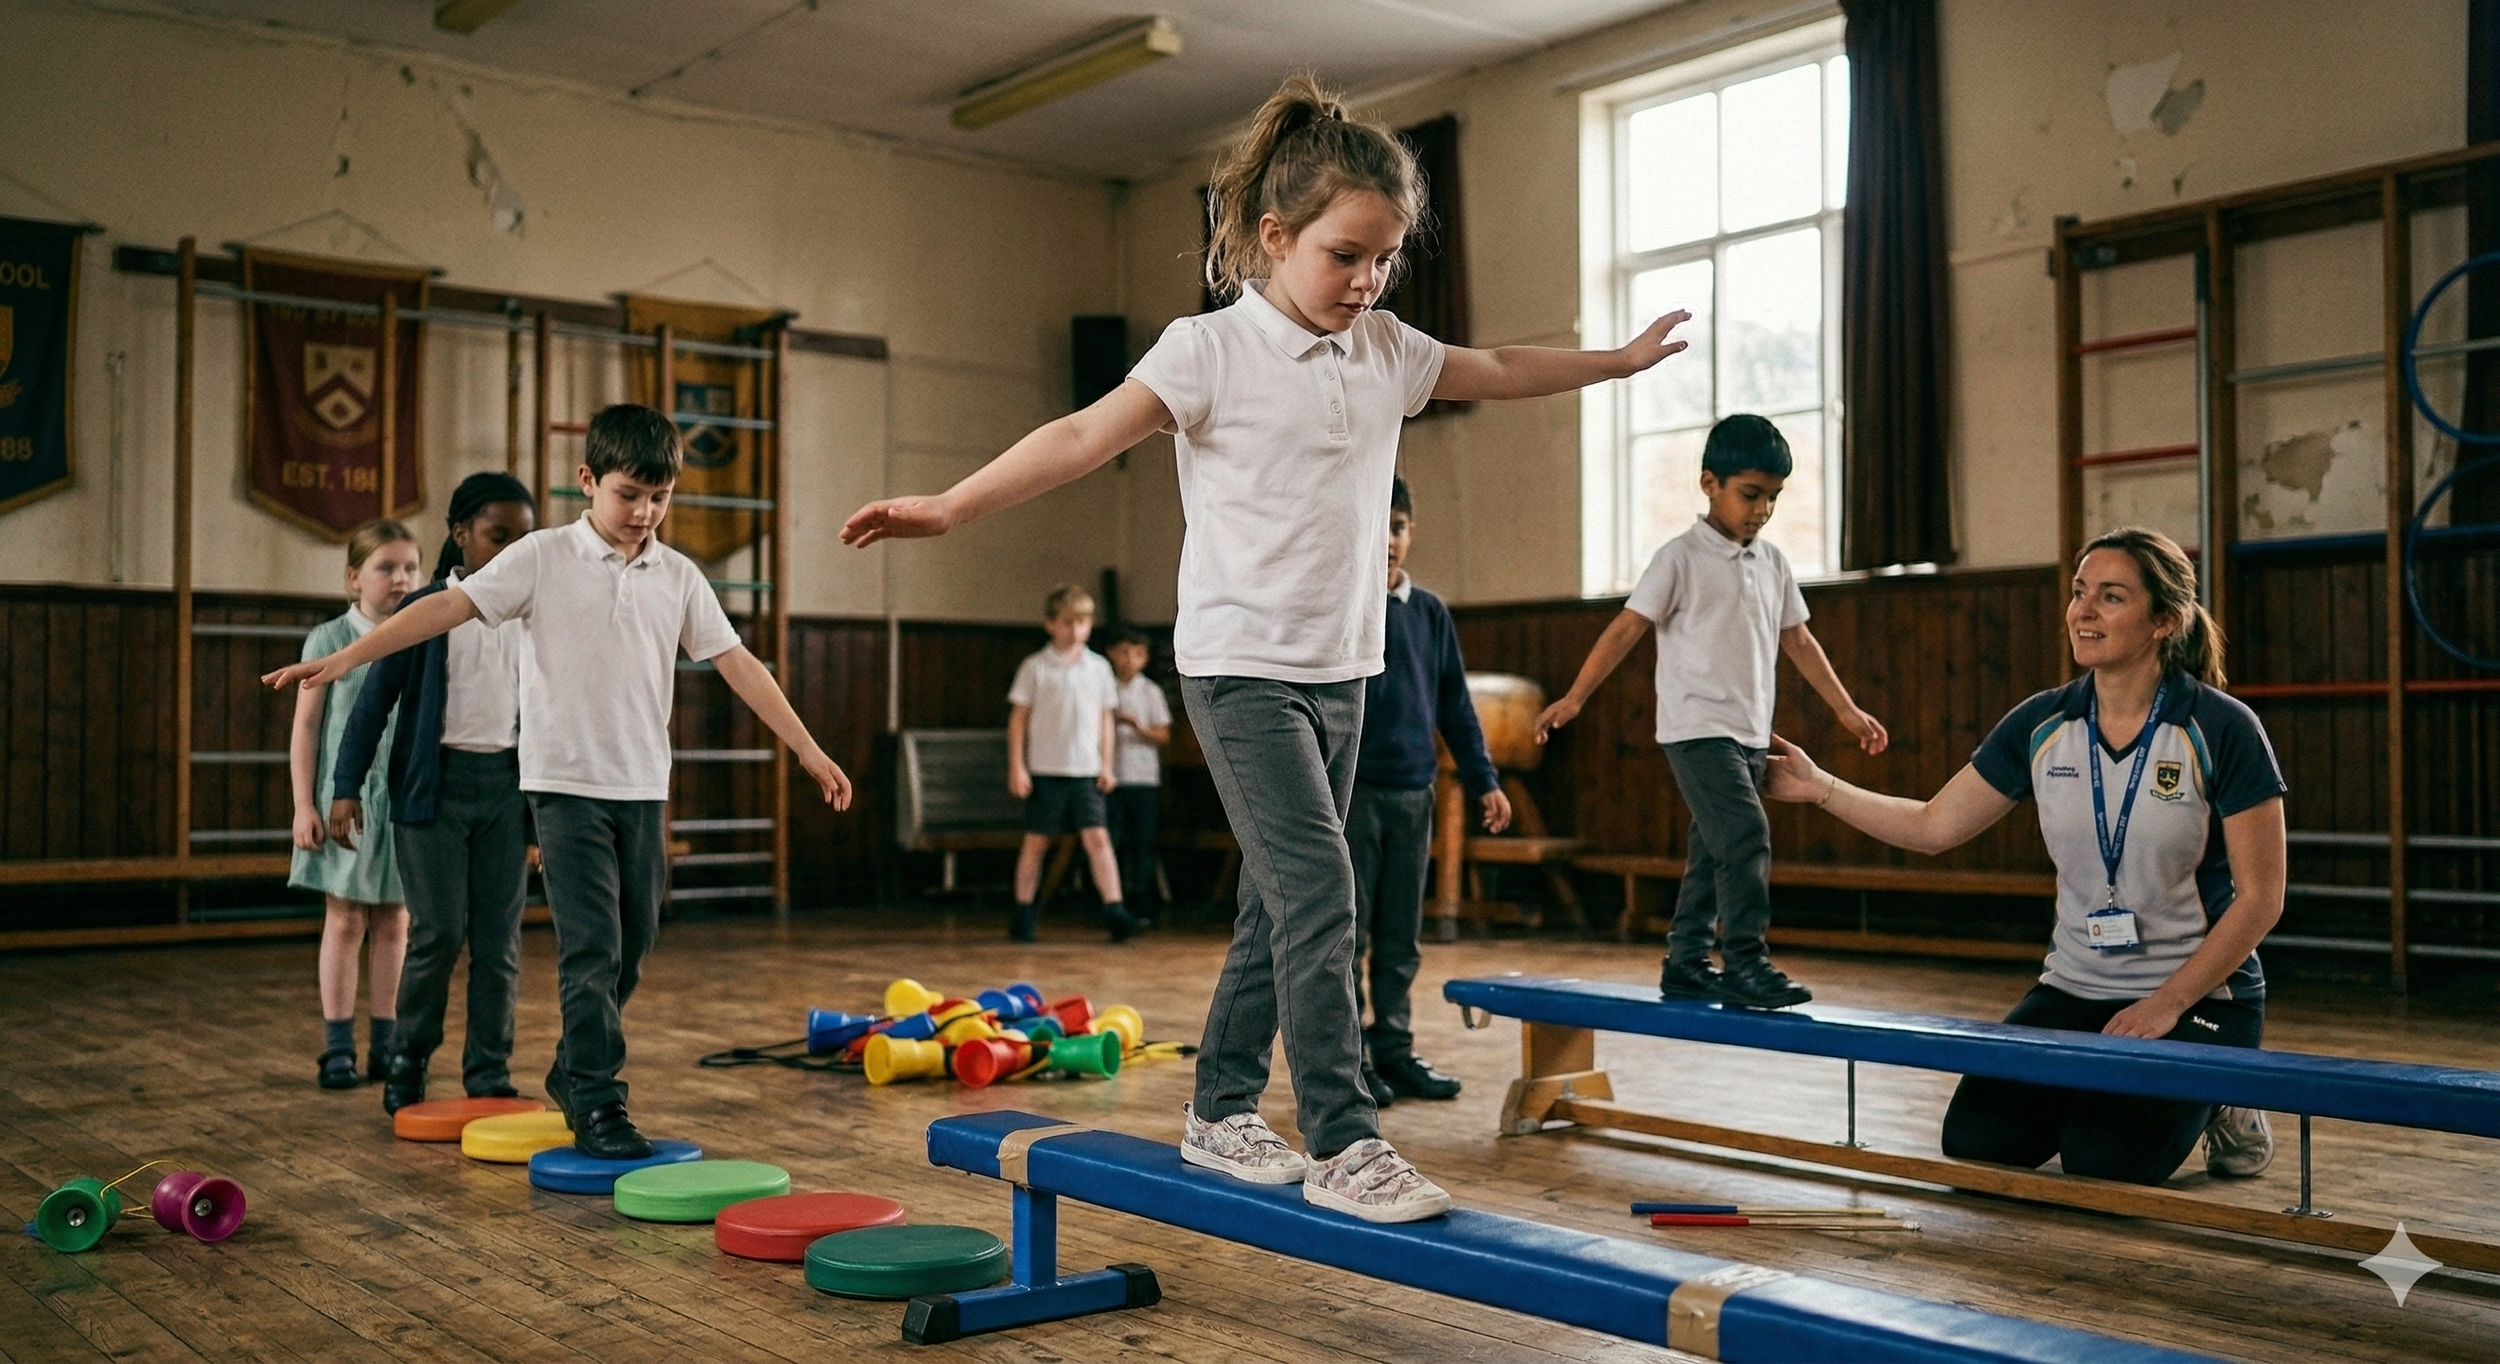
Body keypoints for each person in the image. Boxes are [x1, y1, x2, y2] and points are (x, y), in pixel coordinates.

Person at [839, 74, 1691, 1222]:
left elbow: (1492, 368)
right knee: (1321, 890)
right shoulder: (1207, 351)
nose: (1367, 279)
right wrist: (950, 505)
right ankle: (1342, 1136)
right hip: (1239, 670)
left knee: (1275, 903)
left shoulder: (1384, 347)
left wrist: (1616, 365)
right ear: (1275, 236)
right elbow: (1084, 433)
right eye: (1345, 255)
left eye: (1385, 258)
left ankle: (1219, 1108)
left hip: (1343, 671)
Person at [266, 404, 853, 1160]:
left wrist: (806, 748)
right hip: (560, 789)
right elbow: (445, 605)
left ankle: (572, 1070)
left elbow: (737, 662)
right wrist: (345, 659)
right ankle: (599, 1099)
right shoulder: (541, 556)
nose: (644, 513)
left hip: (642, 789)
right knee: (592, 950)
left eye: (660, 497)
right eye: (628, 495)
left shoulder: (676, 575)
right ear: (587, 482)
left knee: (635, 942)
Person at [1761, 527, 2283, 1185]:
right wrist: (1821, 789)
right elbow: (1932, 826)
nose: (2083, 612)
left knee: (2105, 1161)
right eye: (2078, 592)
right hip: (2076, 987)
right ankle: (2109, 1087)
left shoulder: (2222, 728)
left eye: (2111, 597)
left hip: (2202, 995)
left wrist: (2168, 1003)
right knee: (1980, 1140)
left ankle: (2226, 1100)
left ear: (2164, 622)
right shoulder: (2044, 723)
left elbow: (2262, 898)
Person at [1535, 415, 1887, 1009]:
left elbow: (1799, 641)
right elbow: (1627, 628)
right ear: (1709, 483)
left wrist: (1846, 710)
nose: (1762, 510)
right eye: (1750, 495)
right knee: (1745, 836)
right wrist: (1575, 697)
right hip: (1697, 730)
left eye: (1773, 498)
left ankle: (1686, 961)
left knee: (1712, 850)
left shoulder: (1772, 563)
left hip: (1750, 732)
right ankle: (1746, 962)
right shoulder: (1680, 557)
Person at [330, 472, 537, 1114]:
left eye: (522, 541)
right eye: (497, 537)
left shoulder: (534, 615)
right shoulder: (422, 610)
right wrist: (344, 788)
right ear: (460, 534)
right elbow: (372, 705)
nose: (510, 552)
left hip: (507, 793)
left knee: (499, 945)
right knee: (439, 934)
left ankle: (488, 1072)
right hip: (433, 795)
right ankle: (408, 1061)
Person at [1351, 475, 1510, 1108]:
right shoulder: (1343, 602)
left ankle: (1393, 1048)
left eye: (1397, 526)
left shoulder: (1430, 612)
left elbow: (1455, 704)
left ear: (1410, 532)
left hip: (1413, 791)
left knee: (1400, 935)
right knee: (1351, 932)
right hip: (1354, 792)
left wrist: (1484, 782)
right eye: (1377, 526)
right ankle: (1353, 1060)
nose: (1388, 540)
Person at [290, 519, 425, 1089]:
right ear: (353, 577)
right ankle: (338, 1046)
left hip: (402, 799)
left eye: (411, 568)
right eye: (386, 567)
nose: (401, 579)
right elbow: (306, 729)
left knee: (395, 920)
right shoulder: (327, 640)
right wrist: (304, 804)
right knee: (344, 919)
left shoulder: (422, 636)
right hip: (345, 800)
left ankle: (388, 1045)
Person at [1007, 585, 1142, 943]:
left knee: (1098, 838)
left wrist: (1107, 765)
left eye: (1082, 623)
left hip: (1086, 770)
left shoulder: (1098, 668)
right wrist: (1017, 767)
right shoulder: (1035, 667)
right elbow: (1018, 719)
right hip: (1047, 770)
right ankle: (1023, 911)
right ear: (1050, 624)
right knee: (1037, 842)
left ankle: (1115, 909)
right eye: (1068, 623)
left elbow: (1105, 720)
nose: (1075, 630)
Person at [1103, 628, 1171, 926]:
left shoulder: (1151, 692)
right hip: (1112, 776)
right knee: (1114, 841)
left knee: (1143, 842)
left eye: (1137, 654)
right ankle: (1115, 901)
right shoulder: (1106, 688)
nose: (1129, 659)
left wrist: (1135, 726)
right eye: (1124, 652)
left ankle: (1142, 900)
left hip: (1143, 778)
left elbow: (1162, 734)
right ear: (1113, 653)